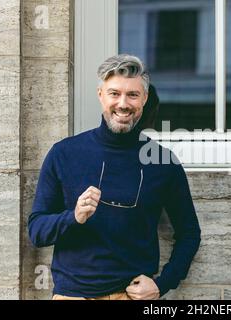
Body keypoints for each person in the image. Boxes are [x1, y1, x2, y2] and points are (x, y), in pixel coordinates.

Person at [28, 54, 201, 300]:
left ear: (144, 98)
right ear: (101, 95)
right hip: (73, 296)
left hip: (130, 296)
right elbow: (36, 231)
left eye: (132, 95)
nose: (123, 104)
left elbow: (189, 233)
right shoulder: (64, 153)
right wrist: (73, 217)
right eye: (114, 93)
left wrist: (163, 284)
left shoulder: (163, 162)